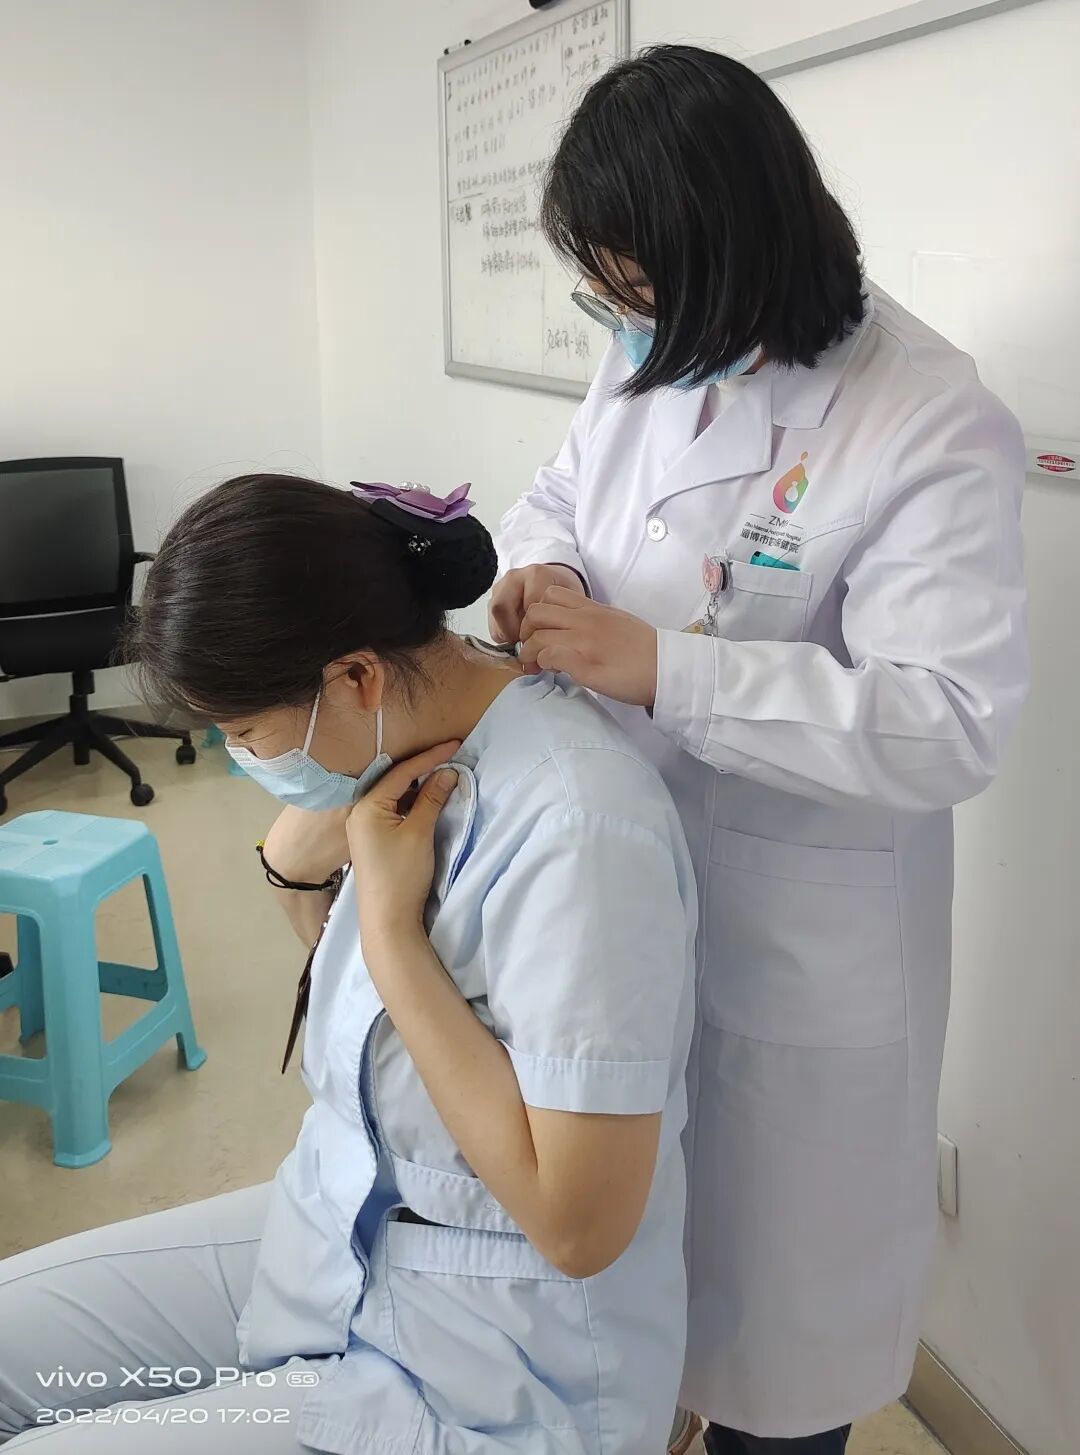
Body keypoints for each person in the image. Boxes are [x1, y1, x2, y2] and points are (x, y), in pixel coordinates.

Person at [491, 44, 1029, 1455]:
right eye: (608, 293)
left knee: (776, 1344)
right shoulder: (648, 345)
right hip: (617, 885)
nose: (623, 322)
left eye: (641, 290)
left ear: (735, 251)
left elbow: (948, 720)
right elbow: (562, 488)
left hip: (795, 948)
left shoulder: (929, 417)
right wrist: (544, 566)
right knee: (629, 1290)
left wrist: (670, 669)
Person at [0, 474, 699, 1454]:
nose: (241, 756)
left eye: (244, 733)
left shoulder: (580, 828)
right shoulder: (398, 757)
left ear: (357, 678)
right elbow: (379, 1036)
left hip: (494, 1355)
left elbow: (579, 1223)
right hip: (346, 1220)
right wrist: (300, 863)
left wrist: (390, 931)